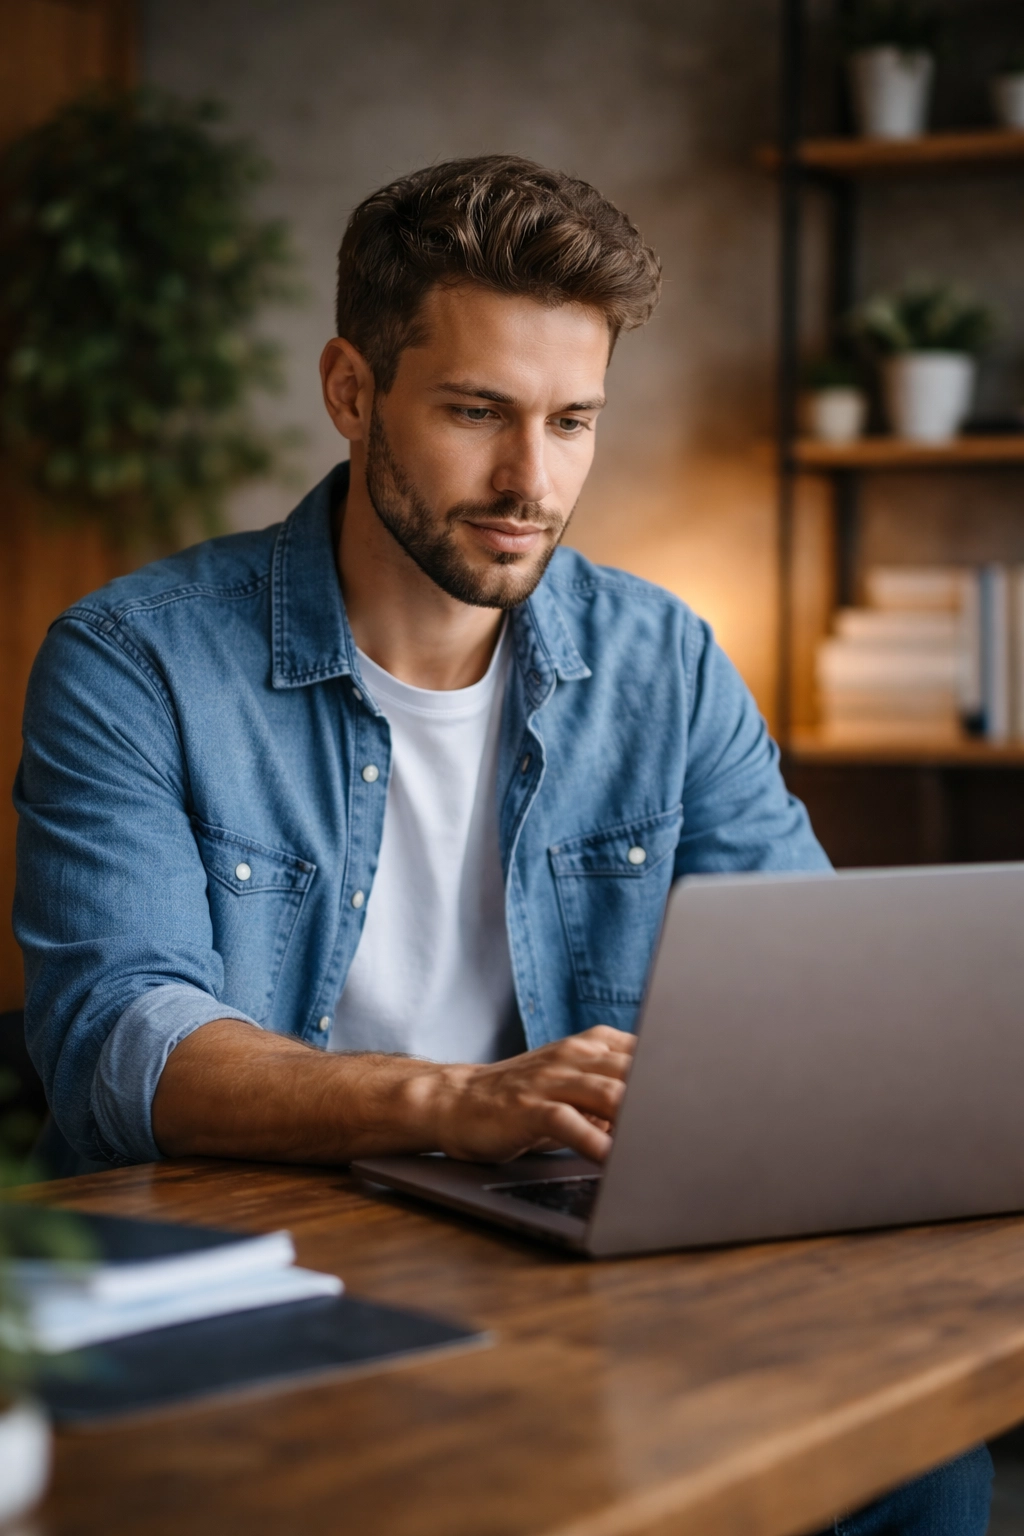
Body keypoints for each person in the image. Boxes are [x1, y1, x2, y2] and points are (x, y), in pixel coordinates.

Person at [14, 156, 991, 1532]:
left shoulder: (665, 661)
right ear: (352, 390)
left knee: (915, 1470)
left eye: (574, 420)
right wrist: (453, 1103)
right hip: (245, 1272)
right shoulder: (136, 662)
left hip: (555, 1257)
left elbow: (808, 1005)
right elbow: (120, 1037)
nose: (532, 481)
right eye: (478, 412)